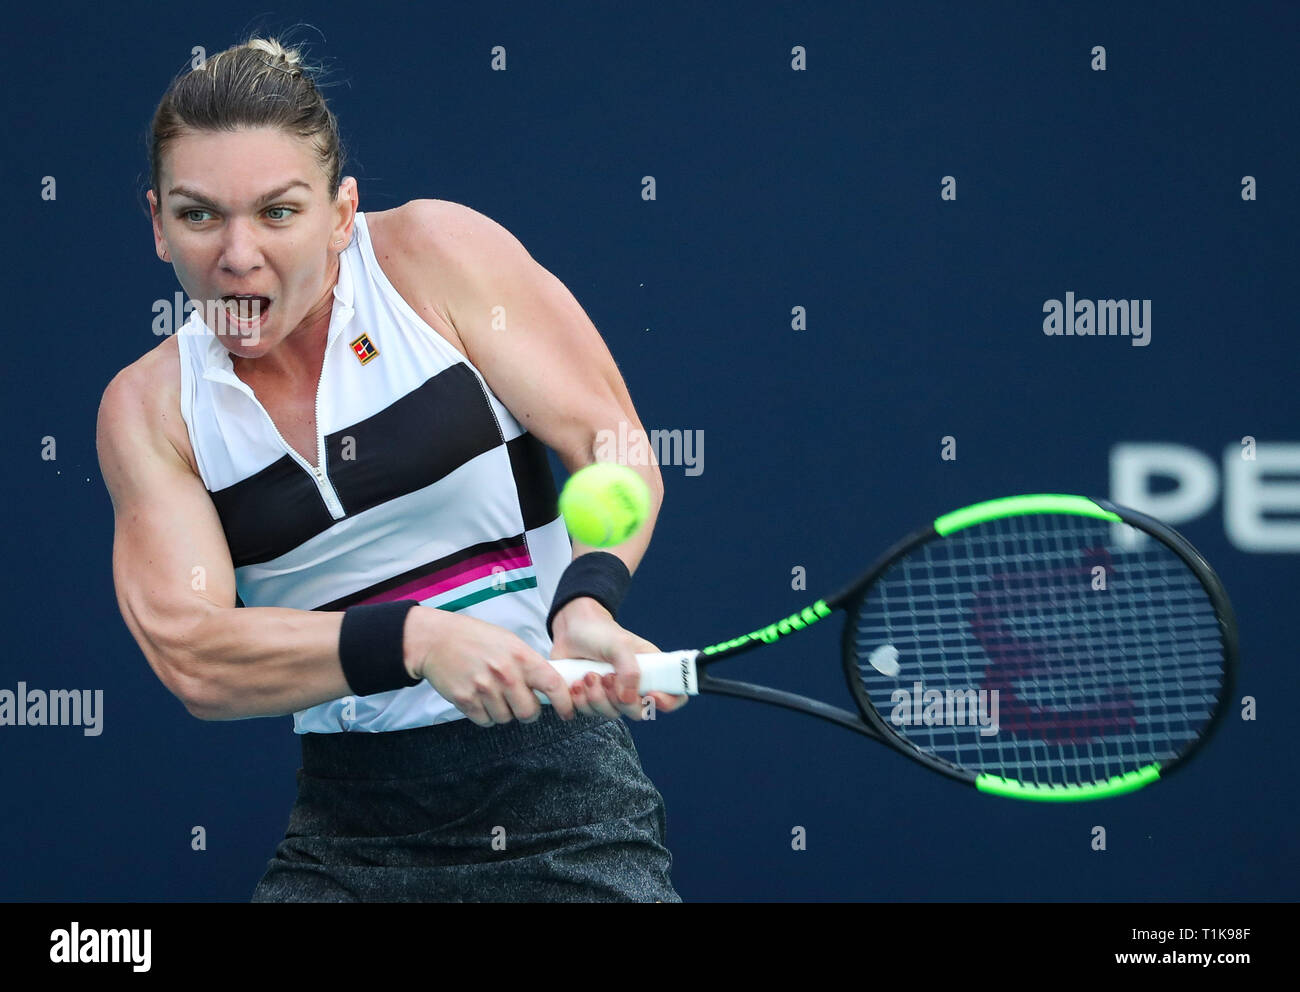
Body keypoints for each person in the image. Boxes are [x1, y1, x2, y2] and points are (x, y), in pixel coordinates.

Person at [96, 35, 687, 902]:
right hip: (347, 828)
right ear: (156, 224)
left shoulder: (433, 259)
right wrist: (415, 639)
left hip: (562, 800)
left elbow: (615, 443)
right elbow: (196, 656)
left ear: (341, 213)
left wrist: (590, 595)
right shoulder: (150, 410)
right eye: (198, 215)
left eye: (278, 212)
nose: (236, 253)